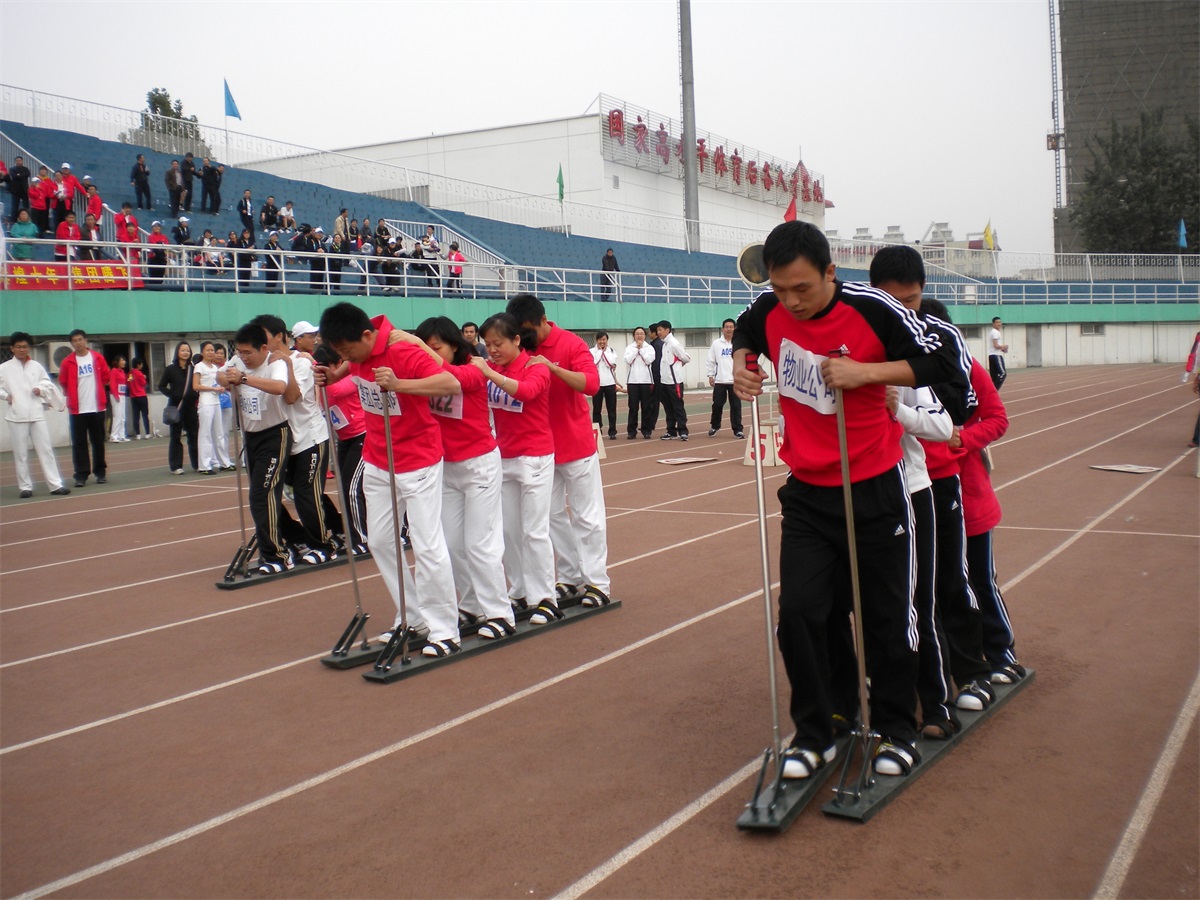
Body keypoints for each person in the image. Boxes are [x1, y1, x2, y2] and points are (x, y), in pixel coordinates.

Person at [731, 221, 967, 781]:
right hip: (808, 494)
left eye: (802, 290)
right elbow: (747, 327)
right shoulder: (770, 309)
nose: (791, 303)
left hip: (875, 489)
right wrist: (744, 361)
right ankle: (823, 728)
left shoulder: (875, 309)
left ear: (830, 273)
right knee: (802, 615)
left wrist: (866, 372)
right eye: (780, 289)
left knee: (888, 618)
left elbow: (943, 365)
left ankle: (895, 728)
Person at [317, 301, 463, 656]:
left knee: (427, 544)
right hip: (379, 459)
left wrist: (400, 384)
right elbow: (356, 364)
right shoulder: (361, 352)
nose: (345, 357)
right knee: (380, 541)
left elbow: (451, 383)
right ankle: (412, 616)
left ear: (367, 335)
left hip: (418, 459)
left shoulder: (405, 348)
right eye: (338, 352)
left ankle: (445, 629)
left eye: (347, 351)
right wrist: (337, 374)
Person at [508, 294, 612, 610]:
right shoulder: (521, 348)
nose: (526, 339)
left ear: (543, 320)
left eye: (529, 331)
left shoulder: (571, 344)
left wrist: (551, 369)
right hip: (539, 450)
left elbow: (591, 385)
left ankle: (597, 582)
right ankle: (568, 576)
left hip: (576, 443)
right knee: (549, 517)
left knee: (586, 515)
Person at [413, 316, 515, 638]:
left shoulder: (473, 368)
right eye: (426, 347)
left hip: (479, 465)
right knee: (452, 544)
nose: (430, 353)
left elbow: (452, 378)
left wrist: (414, 348)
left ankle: (499, 614)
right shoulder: (428, 374)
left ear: (454, 345)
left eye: (436, 347)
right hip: (445, 467)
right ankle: (470, 604)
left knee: (480, 544)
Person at [472, 312, 557, 622]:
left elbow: (526, 392)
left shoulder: (535, 367)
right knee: (509, 530)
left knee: (534, 530)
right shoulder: (490, 367)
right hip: (502, 458)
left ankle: (545, 596)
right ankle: (520, 588)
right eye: (488, 345)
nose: (492, 350)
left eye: (498, 344)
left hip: (534, 457)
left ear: (517, 340)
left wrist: (489, 373)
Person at [253, 316, 338, 565]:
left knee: (306, 495)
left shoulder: (301, 363)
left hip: (309, 438)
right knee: (267, 495)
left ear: (279, 336)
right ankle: (298, 537)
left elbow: (291, 397)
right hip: (280, 443)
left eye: (264, 334)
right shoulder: (263, 364)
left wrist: (287, 366)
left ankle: (323, 545)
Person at [219, 324, 293, 573]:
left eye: (248, 353)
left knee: (262, 495)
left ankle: (277, 556)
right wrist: (227, 376)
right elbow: (221, 376)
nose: (243, 358)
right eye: (239, 353)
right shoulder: (236, 361)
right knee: (260, 496)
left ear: (263, 348)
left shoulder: (275, 363)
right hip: (250, 437)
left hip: (275, 435)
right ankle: (284, 542)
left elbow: (280, 388)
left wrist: (243, 378)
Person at [313, 342, 368, 556]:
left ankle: (361, 539)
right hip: (344, 440)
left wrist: (321, 381)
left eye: (329, 367)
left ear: (339, 363)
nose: (325, 373)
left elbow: (337, 388)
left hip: (364, 436)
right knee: (345, 489)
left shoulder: (351, 378)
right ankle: (352, 532)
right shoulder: (322, 385)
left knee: (353, 489)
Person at [0, 332, 70, 498]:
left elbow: (46, 383)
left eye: (24, 347)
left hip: (37, 414)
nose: (22, 350)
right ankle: (25, 487)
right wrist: (6, 396)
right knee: (20, 453)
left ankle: (55, 485)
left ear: (29, 348)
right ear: (12, 348)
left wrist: (41, 389)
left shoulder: (36, 366)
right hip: (17, 416)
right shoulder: (4, 368)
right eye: (18, 347)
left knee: (46, 450)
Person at [59, 328, 110, 487]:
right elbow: (63, 382)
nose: (78, 343)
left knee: (98, 442)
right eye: (74, 341)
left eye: (80, 339)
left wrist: (98, 394)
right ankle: (81, 475)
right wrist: (73, 397)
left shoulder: (97, 358)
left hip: (96, 408)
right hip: (77, 410)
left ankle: (100, 473)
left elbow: (105, 378)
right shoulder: (67, 362)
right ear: (71, 344)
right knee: (79, 443)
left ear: (86, 340)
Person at [193, 341, 233, 474]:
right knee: (205, 434)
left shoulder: (215, 368)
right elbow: (196, 386)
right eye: (208, 350)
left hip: (216, 402)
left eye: (212, 350)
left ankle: (224, 463)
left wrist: (221, 388)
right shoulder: (199, 367)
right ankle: (204, 465)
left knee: (219, 433)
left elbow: (219, 381)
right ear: (202, 352)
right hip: (206, 402)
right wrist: (212, 388)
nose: (210, 352)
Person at [159, 341, 199, 474]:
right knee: (176, 436)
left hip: (191, 407)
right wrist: (173, 394)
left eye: (187, 350)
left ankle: (198, 463)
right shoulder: (170, 369)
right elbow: (161, 386)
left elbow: (198, 385)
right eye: (183, 350)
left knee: (193, 435)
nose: (185, 353)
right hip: (176, 407)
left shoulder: (193, 369)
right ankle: (176, 466)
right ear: (177, 352)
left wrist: (195, 395)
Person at [707, 318, 743, 438]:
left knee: (736, 406)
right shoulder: (716, 344)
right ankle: (714, 426)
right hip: (720, 380)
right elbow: (711, 360)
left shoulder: (739, 342)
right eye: (726, 327)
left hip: (735, 381)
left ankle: (738, 429)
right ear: (723, 329)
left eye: (731, 327)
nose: (729, 329)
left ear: (735, 328)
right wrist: (710, 375)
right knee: (717, 405)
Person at [657, 320, 690, 440]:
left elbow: (686, 358)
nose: (658, 332)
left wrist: (677, 367)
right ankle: (671, 431)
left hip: (674, 382)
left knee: (678, 406)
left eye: (660, 330)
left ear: (667, 330)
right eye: (658, 330)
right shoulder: (664, 344)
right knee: (668, 407)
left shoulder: (674, 343)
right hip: (664, 381)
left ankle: (683, 431)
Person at [623, 326, 656, 439]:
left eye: (641, 333)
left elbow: (649, 360)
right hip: (633, 381)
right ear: (633, 335)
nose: (639, 336)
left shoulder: (649, 348)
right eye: (637, 334)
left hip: (646, 380)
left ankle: (646, 430)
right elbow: (628, 360)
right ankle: (631, 431)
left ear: (645, 335)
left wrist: (641, 350)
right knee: (633, 407)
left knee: (646, 407)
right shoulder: (629, 348)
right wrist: (636, 349)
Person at [590, 330, 622, 440]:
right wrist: (600, 352)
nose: (602, 342)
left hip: (610, 383)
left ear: (607, 340)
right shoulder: (592, 351)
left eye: (604, 339)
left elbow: (611, 364)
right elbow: (594, 362)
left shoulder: (612, 351)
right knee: (597, 408)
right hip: (597, 383)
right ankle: (597, 429)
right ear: (596, 340)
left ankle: (612, 430)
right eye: (600, 339)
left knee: (611, 408)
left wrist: (604, 352)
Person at [108, 355, 130, 442]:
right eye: (122, 360)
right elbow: (112, 384)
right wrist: (115, 395)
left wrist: (130, 378)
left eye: (124, 360)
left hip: (122, 395)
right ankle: (113, 436)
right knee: (117, 416)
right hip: (116, 395)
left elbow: (126, 382)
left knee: (122, 416)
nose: (124, 362)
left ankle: (121, 435)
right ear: (117, 362)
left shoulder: (122, 371)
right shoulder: (114, 371)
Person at [129, 357, 151, 439]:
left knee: (136, 416)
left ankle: (138, 434)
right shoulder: (139, 373)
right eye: (141, 364)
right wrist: (144, 377)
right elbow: (144, 383)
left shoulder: (130, 374)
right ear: (138, 365)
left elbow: (129, 383)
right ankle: (147, 433)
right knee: (145, 415)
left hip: (133, 397)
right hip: (141, 396)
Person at [146, 221, 170, 287]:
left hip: (161, 259)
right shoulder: (150, 236)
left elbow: (167, 245)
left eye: (158, 226)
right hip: (153, 259)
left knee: (160, 277)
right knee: (153, 277)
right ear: (152, 228)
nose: (157, 228)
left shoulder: (164, 236)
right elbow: (153, 247)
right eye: (155, 226)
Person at [7, 155, 31, 220]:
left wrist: (19, 175)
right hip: (15, 191)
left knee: (26, 206)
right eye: (17, 161)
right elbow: (14, 176)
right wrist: (21, 175)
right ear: (15, 162)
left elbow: (28, 174)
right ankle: (13, 220)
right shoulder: (12, 169)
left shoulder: (26, 169)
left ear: (22, 161)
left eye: (20, 160)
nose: (18, 162)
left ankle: (27, 219)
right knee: (15, 206)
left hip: (24, 190)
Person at [988, 317, 1009, 391]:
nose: (999, 324)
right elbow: (996, 345)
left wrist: (1002, 349)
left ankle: (990, 391)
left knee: (994, 376)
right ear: (993, 324)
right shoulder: (995, 332)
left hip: (992, 355)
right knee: (1002, 374)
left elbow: (995, 346)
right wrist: (1004, 346)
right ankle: (993, 391)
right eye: (997, 322)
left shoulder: (994, 332)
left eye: (1000, 322)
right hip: (996, 355)